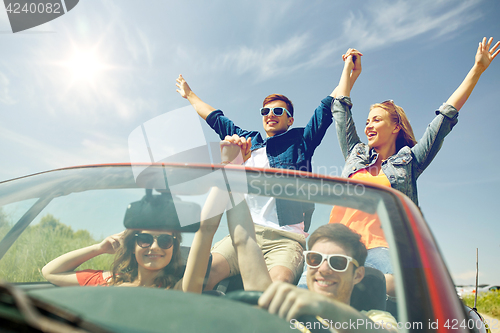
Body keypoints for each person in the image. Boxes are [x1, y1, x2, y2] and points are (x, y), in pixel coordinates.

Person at [328, 37, 499, 297]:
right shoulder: (355, 154)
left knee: (404, 287)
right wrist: (348, 71)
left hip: (382, 249)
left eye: (376, 120)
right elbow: (340, 109)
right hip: (338, 246)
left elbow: (445, 119)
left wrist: (477, 69)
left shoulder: (408, 162)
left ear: (396, 126)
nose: (368, 126)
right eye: (367, 121)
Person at [175, 73, 354, 288]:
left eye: (278, 111)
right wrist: (189, 94)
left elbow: (328, 106)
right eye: (265, 111)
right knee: (202, 276)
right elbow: (214, 117)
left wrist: (348, 71)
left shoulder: (301, 141)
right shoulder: (247, 141)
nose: (271, 115)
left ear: (290, 120)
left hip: (285, 240)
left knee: (275, 287)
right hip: (245, 233)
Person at [258, 224, 398, 332]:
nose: (323, 269)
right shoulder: (288, 318)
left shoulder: (375, 318)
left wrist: (324, 306)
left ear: (357, 275)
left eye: (337, 262)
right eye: (315, 259)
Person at [42, 229, 185, 289]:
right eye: (144, 239)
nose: (154, 246)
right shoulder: (110, 280)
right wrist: (99, 249)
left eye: (165, 240)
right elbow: (51, 272)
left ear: (173, 248)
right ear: (132, 247)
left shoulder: (179, 288)